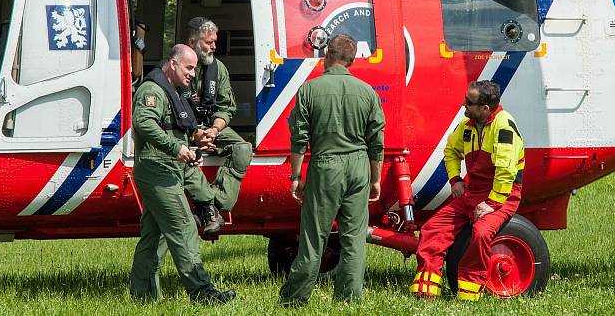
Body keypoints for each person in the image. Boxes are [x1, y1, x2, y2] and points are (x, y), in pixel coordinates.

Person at [279, 34, 386, 307]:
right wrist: (375, 179)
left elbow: (299, 138)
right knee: (354, 239)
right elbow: (376, 142)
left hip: (325, 167)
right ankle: (349, 300)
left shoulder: (309, 90)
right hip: (359, 166)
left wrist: (296, 177)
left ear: (327, 55)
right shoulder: (367, 92)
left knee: (314, 238)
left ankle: (294, 299)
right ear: (352, 60)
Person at [129, 44, 236, 305]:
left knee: (155, 236)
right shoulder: (152, 90)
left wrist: (195, 141)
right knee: (185, 227)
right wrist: (176, 147)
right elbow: (143, 123)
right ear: (173, 64)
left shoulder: (174, 92)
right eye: (188, 68)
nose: (192, 74)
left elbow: (173, 127)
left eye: (195, 69)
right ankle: (203, 293)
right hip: (158, 169)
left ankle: (142, 297)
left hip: (167, 168)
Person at [411, 80, 525, 301]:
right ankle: (427, 288)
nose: (464, 106)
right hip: (472, 192)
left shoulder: (504, 127)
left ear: (484, 108)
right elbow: (451, 150)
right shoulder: (467, 124)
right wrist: (455, 180)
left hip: (502, 196)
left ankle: (470, 291)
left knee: (481, 233)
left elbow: (506, 171)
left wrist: (491, 204)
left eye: (469, 103)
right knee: (433, 228)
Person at [181, 17, 253, 236]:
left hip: (210, 125)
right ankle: (208, 210)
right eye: (208, 42)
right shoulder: (175, 64)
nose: (214, 46)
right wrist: (196, 135)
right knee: (184, 155)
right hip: (181, 127)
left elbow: (226, 107)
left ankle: (214, 205)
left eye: (215, 41)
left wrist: (214, 130)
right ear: (192, 43)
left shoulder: (218, 68)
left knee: (242, 149)